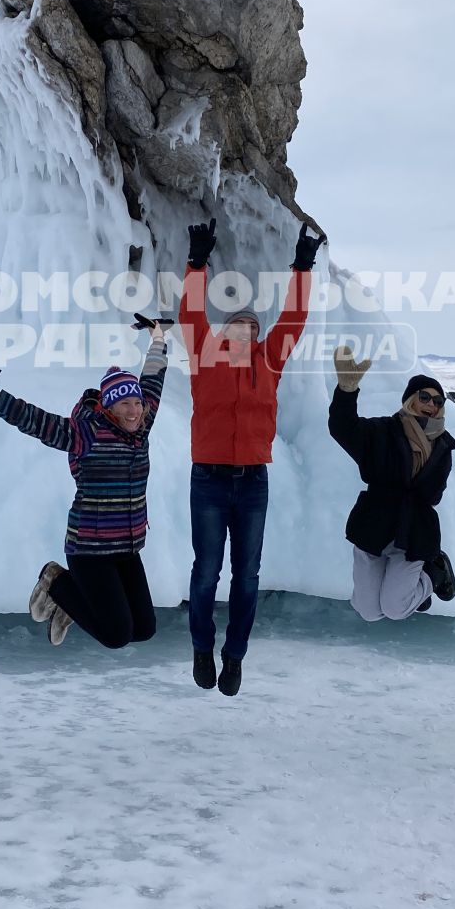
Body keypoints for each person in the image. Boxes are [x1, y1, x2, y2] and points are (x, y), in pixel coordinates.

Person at [0, 315, 171, 649]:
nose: (134, 410)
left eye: (136, 403)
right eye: (125, 404)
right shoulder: (86, 434)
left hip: (126, 546)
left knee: (145, 629)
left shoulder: (142, 425)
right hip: (90, 549)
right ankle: (56, 582)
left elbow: (152, 380)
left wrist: (159, 338)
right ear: (109, 407)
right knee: (116, 635)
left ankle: (71, 605)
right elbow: (33, 419)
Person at [177, 216, 323, 696]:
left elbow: (293, 320)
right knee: (205, 572)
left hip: (253, 482)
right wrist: (197, 264)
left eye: (251, 325)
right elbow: (190, 316)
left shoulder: (269, 362)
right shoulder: (205, 359)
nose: (244, 328)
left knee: (247, 576)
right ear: (224, 332)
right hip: (210, 483)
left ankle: (234, 656)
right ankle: (202, 646)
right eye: (236, 323)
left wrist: (302, 267)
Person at [328, 348, 455, 622]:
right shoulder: (382, 431)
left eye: (438, 400)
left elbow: (434, 494)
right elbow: (343, 427)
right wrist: (346, 390)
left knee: (396, 609)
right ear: (411, 399)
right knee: (369, 611)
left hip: (414, 534)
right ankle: (409, 587)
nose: (431, 404)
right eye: (425, 396)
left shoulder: (443, 446)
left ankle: (434, 573)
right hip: (373, 527)